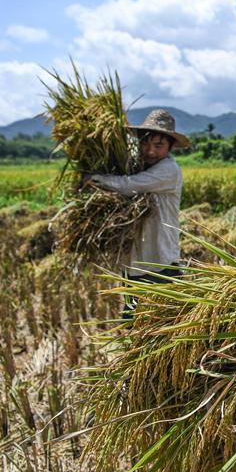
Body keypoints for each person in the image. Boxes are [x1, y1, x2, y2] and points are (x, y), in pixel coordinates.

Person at [83, 109, 189, 318]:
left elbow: (129, 185)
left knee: (163, 324)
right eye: (145, 144)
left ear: (170, 146)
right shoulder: (138, 166)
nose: (150, 151)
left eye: (158, 146)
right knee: (133, 321)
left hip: (160, 261)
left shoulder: (168, 169)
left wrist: (95, 179)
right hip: (134, 263)